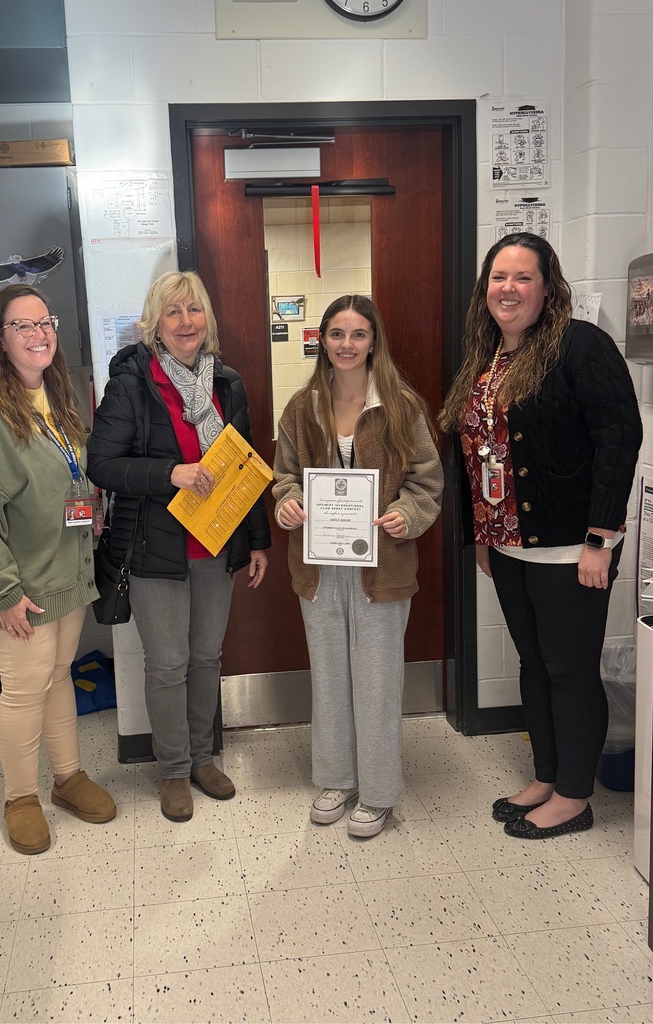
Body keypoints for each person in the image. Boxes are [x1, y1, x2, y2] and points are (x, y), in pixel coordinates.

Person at [439, 232, 642, 840]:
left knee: (569, 667)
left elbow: (619, 436)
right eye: (498, 277)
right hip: (506, 543)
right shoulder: (489, 356)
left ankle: (575, 796)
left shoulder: (581, 346)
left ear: (547, 287)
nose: (508, 288)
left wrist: (601, 538)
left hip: (571, 545)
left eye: (522, 277)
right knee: (534, 662)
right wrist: (480, 533)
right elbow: (478, 454)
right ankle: (547, 776)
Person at [87, 270, 270, 822]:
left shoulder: (227, 384)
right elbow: (103, 464)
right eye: (174, 312)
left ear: (206, 320)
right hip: (153, 551)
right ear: (155, 323)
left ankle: (200, 757)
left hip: (215, 547)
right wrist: (172, 473)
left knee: (206, 658)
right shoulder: (131, 385)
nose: (186, 322)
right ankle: (171, 771)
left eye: (194, 311)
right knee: (167, 665)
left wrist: (257, 540)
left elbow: (245, 467)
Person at [0, 284, 116, 855]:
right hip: (19, 587)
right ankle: (20, 797)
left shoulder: (58, 398)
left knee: (59, 675)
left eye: (45, 321)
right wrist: (3, 592)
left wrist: (91, 508)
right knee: (23, 690)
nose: (39, 333)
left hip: (67, 573)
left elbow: (74, 473)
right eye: (22, 325)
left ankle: (67, 778)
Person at [273, 295, 443, 838]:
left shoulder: (401, 406)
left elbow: (427, 480)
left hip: (383, 565)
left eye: (358, 335)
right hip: (318, 568)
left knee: (376, 681)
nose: (347, 345)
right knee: (328, 677)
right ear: (322, 340)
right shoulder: (302, 407)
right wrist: (288, 502)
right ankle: (337, 779)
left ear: (374, 342)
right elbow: (284, 476)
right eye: (337, 334)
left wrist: (404, 513)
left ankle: (378, 793)